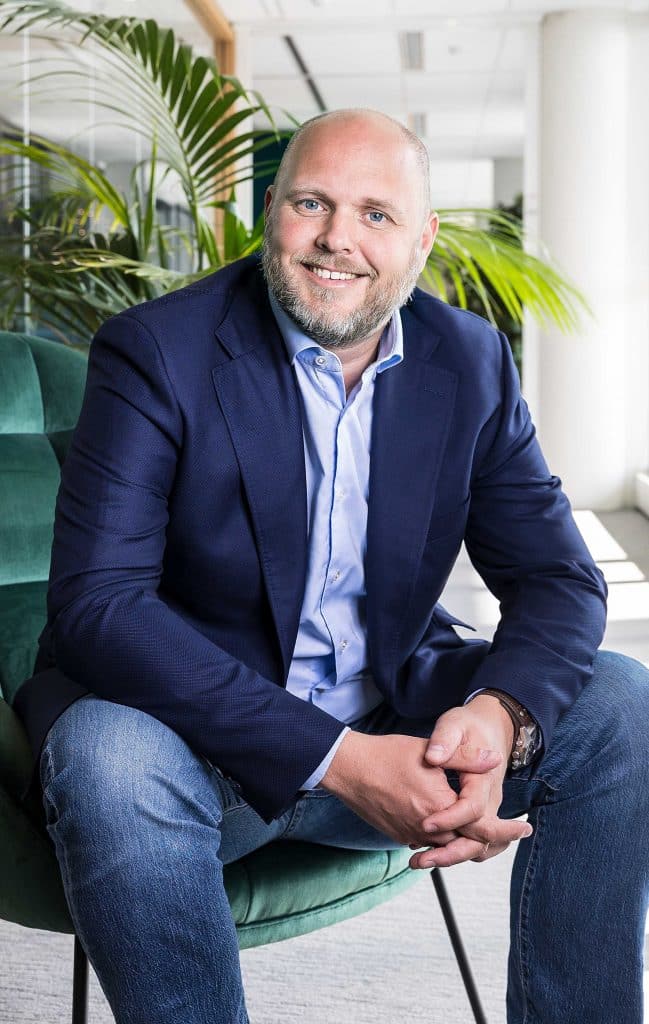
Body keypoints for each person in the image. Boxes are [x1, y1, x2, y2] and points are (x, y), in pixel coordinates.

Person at [14, 108, 649, 1024]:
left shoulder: (469, 360)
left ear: (422, 239)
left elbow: (555, 578)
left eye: (375, 214)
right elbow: (99, 607)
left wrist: (497, 718)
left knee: (619, 702)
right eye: (311, 203)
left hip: (393, 717)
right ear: (270, 210)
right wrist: (337, 759)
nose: (336, 239)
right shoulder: (157, 350)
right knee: (108, 757)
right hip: (196, 741)